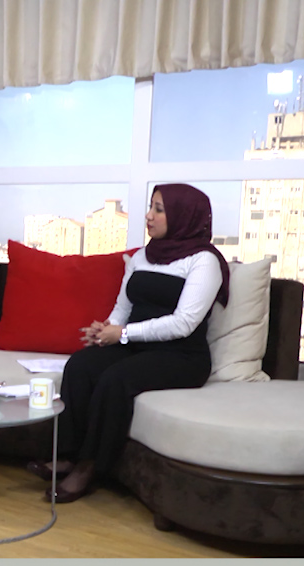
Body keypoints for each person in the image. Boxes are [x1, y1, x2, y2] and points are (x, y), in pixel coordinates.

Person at [31, 183, 231, 503]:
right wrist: (106, 329)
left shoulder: (204, 261)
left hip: (181, 356)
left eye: (159, 210)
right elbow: (122, 309)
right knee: (81, 365)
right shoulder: (142, 256)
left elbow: (183, 323)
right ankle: (68, 454)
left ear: (183, 216)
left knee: (116, 380)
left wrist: (123, 334)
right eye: (151, 207)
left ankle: (90, 466)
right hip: (135, 345)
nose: (149, 216)